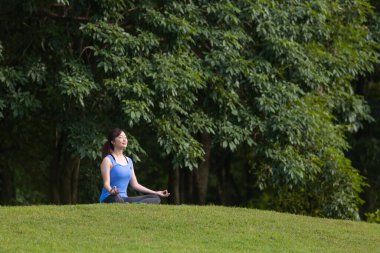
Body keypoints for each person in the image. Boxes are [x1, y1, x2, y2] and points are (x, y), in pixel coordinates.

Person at [99, 128, 170, 204]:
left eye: (125, 137)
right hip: (110, 197)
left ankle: (131, 206)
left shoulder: (129, 161)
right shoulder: (108, 160)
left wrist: (155, 192)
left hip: (124, 199)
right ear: (113, 142)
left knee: (155, 198)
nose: (124, 139)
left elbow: (135, 184)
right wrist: (111, 191)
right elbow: (106, 183)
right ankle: (128, 206)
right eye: (120, 137)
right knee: (117, 198)